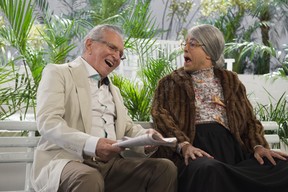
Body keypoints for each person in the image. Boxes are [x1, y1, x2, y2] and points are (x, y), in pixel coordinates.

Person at [31, 24, 177, 192]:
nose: (116, 56)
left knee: (163, 169)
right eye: (112, 48)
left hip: (111, 165)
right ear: (89, 45)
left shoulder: (114, 90)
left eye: (120, 54)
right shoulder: (58, 73)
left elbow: (127, 128)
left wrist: (146, 139)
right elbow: (48, 122)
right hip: (68, 160)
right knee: (88, 178)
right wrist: (93, 144)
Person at [151, 24, 288, 192]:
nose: (185, 48)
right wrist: (184, 145)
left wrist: (259, 146)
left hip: (234, 152)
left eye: (192, 44)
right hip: (194, 152)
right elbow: (160, 115)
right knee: (208, 170)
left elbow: (250, 121)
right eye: (185, 44)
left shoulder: (231, 81)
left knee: (282, 166)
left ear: (209, 52)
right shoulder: (170, 83)